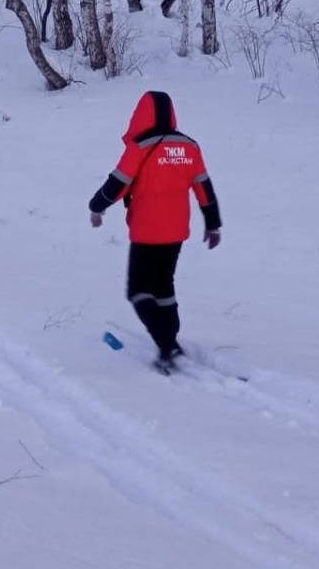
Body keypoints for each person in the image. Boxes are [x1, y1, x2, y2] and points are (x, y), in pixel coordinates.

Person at [88, 91, 221, 370]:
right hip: (175, 233)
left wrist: (96, 207)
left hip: (147, 232)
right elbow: (204, 188)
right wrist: (213, 223)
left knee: (138, 291)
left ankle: (167, 346)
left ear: (141, 115)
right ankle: (170, 339)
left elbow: (117, 184)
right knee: (164, 286)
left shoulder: (140, 146)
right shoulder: (190, 146)